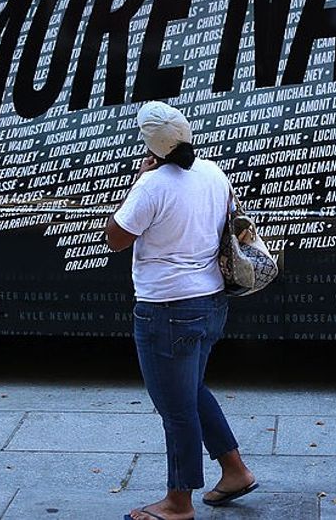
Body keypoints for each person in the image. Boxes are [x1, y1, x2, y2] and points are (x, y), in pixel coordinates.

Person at [106, 101, 259, 520]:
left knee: (175, 408)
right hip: (210, 302)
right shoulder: (212, 172)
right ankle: (235, 472)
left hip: (167, 310)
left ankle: (178, 502)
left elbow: (116, 238)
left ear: (149, 144)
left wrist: (139, 180)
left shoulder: (152, 185)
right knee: (188, 392)